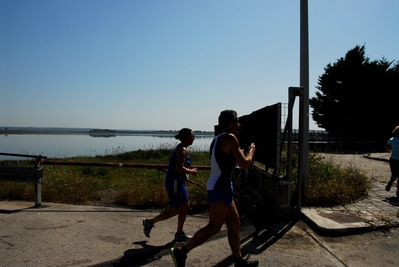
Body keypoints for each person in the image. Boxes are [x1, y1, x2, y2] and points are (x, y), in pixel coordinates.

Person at [170, 110, 259, 267]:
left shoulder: (217, 138)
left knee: (234, 224)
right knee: (214, 227)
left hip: (223, 186)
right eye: (237, 121)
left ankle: (239, 261)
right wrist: (251, 151)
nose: (239, 124)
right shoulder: (230, 138)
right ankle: (181, 251)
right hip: (220, 187)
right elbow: (245, 164)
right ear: (229, 123)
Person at [142, 128, 198, 241]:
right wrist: (191, 172)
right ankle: (150, 222)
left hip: (179, 182)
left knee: (185, 206)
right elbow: (178, 168)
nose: (194, 138)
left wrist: (187, 171)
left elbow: (181, 167)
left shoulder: (183, 149)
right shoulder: (182, 150)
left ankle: (179, 233)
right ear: (186, 138)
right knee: (175, 210)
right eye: (192, 136)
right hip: (174, 182)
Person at [385, 126, 399, 197]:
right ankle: (398, 190)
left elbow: (386, 148)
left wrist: (391, 151)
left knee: (394, 174)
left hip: (393, 159)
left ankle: (390, 182)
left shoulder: (391, 139)